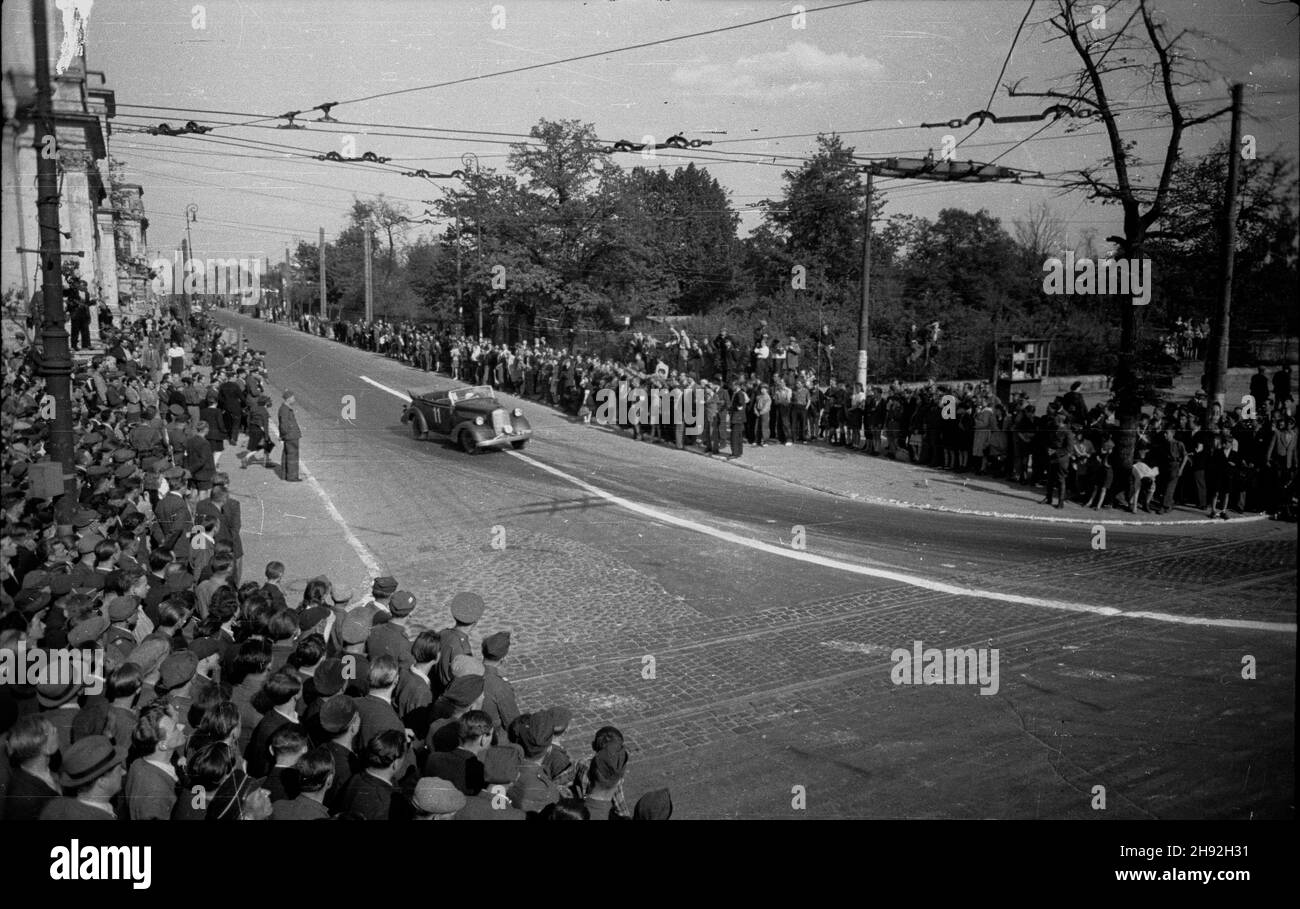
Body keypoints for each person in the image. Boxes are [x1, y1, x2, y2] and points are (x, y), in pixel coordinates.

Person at [277, 389, 302, 482]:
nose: (294, 400)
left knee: (286, 454)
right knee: (293, 456)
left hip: (289, 435)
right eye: (293, 398)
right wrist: (286, 434)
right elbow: (283, 424)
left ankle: (284, 474)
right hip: (291, 436)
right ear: (288, 398)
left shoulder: (284, 408)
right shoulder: (285, 409)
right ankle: (292, 477)